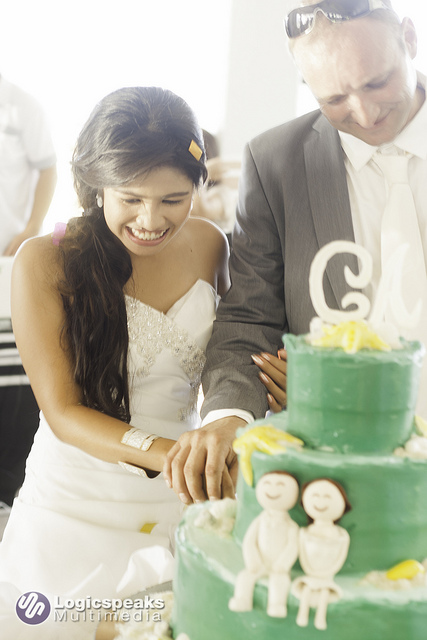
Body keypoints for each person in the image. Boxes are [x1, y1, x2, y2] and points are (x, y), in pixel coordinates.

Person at [163, 0, 427, 502]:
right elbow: (249, 319)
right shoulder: (276, 162)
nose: (365, 113)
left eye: (377, 82)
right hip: (335, 471)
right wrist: (229, 418)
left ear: (410, 39)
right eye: (335, 98)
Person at [0, 76, 57, 511]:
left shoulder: (20, 105)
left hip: (7, 262)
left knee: (13, 389)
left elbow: (47, 168)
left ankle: (7, 494)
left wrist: (32, 228)